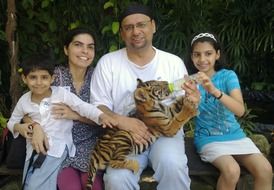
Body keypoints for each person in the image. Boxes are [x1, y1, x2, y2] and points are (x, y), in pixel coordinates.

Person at [90, 3, 200, 190]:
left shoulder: (172, 62)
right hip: (126, 135)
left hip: (165, 134)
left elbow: (183, 102)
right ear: (122, 33)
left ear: (153, 26)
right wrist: (121, 121)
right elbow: (98, 105)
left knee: (173, 166)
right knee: (116, 180)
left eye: (141, 24)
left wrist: (192, 100)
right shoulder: (108, 63)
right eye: (129, 27)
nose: (136, 31)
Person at [7, 54, 117, 190]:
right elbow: (11, 122)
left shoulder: (61, 94)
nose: (39, 82)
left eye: (44, 77)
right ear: (24, 79)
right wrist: (20, 127)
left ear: (52, 78)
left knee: (35, 184)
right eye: (33, 77)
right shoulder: (24, 100)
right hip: (34, 151)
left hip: (57, 148)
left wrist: (101, 116)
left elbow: (83, 107)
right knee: (29, 181)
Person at [187, 32, 273, 190]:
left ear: (217, 54)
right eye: (197, 55)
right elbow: (185, 116)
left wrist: (214, 90)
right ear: (191, 57)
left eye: (208, 53)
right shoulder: (188, 82)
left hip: (235, 135)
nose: (202, 59)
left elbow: (240, 111)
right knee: (232, 170)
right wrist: (191, 102)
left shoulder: (227, 76)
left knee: (265, 170)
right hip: (208, 138)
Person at [26, 27, 105, 190]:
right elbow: (27, 109)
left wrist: (75, 115)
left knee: (93, 186)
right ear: (66, 49)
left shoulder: (99, 77)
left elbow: (107, 118)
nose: (85, 51)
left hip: (93, 146)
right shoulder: (53, 76)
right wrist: (36, 126)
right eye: (78, 45)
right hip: (59, 147)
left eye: (90, 47)